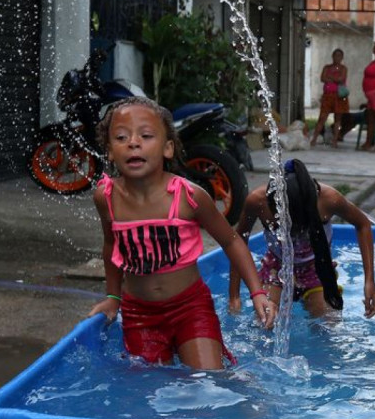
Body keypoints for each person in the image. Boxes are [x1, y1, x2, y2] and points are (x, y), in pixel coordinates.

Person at [88, 97, 275, 371]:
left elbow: (231, 240)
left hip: (190, 307)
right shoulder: (106, 197)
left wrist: (257, 292)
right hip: (140, 313)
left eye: (146, 135)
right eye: (121, 137)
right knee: (152, 390)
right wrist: (113, 297)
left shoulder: (188, 196)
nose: (133, 142)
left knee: (210, 380)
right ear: (110, 152)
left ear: (167, 148)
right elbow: (111, 246)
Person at [229, 159, 375, 318]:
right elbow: (237, 241)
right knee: (264, 319)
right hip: (277, 266)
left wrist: (369, 281)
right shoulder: (258, 202)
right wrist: (234, 295)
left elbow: (363, 224)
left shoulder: (327, 200)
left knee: (328, 323)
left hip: (316, 268)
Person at [309, 48, 348, 148]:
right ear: (332, 56)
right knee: (322, 117)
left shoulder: (343, 68)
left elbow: (341, 79)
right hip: (327, 95)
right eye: (335, 55)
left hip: (339, 96)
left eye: (339, 56)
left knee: (338, 119)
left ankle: (335, 140)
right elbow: (323, 78)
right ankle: (314, 139)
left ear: (342, 57)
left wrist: (330, 78)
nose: (337, 58)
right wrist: (335, 79)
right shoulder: (327, 67)